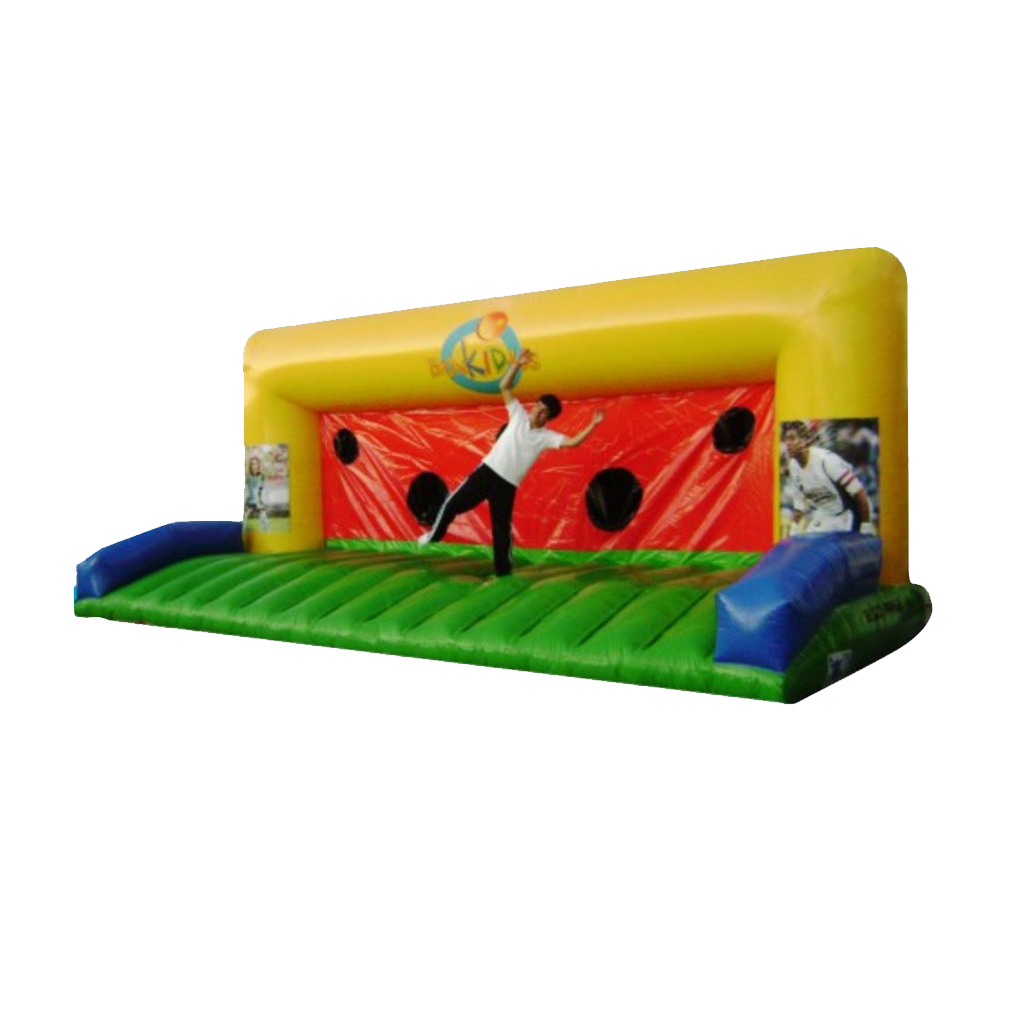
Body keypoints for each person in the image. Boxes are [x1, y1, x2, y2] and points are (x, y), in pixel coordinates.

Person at [419, 348, 604, 575]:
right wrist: (517, 363)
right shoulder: (518, 415)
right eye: (537, 406)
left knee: (501, 529)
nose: (537, 412)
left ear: (549, 418)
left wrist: (593, 425)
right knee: (452, 505)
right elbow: (504, 387)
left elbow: (573, 442)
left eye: (543, 412)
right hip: (487, 472)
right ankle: (434, 536)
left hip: (507, 485)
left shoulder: (547, 437)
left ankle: (503, 570)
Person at [782, 421, 875, 535]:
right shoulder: (793, 466)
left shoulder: (826, 461)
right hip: (823, 516)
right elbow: (799, 505)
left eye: (792, 438)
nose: (787, 443)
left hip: (846, 515)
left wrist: (866, 525)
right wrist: (793, 530)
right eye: (786, 439)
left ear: (805, 440)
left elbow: (859, 493)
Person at [244, 455, 270, 532]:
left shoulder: (262, 476)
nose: (254, 466)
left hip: (258, 501)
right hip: (249, 501)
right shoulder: (247, 476)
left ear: (258, 464)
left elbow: (261, 490)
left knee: (264, 521)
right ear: (250, 466)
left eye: (255, 463)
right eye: (252, 464)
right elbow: (246, 490)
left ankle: (268, 534)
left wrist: (260, 503)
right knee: (243, 521)